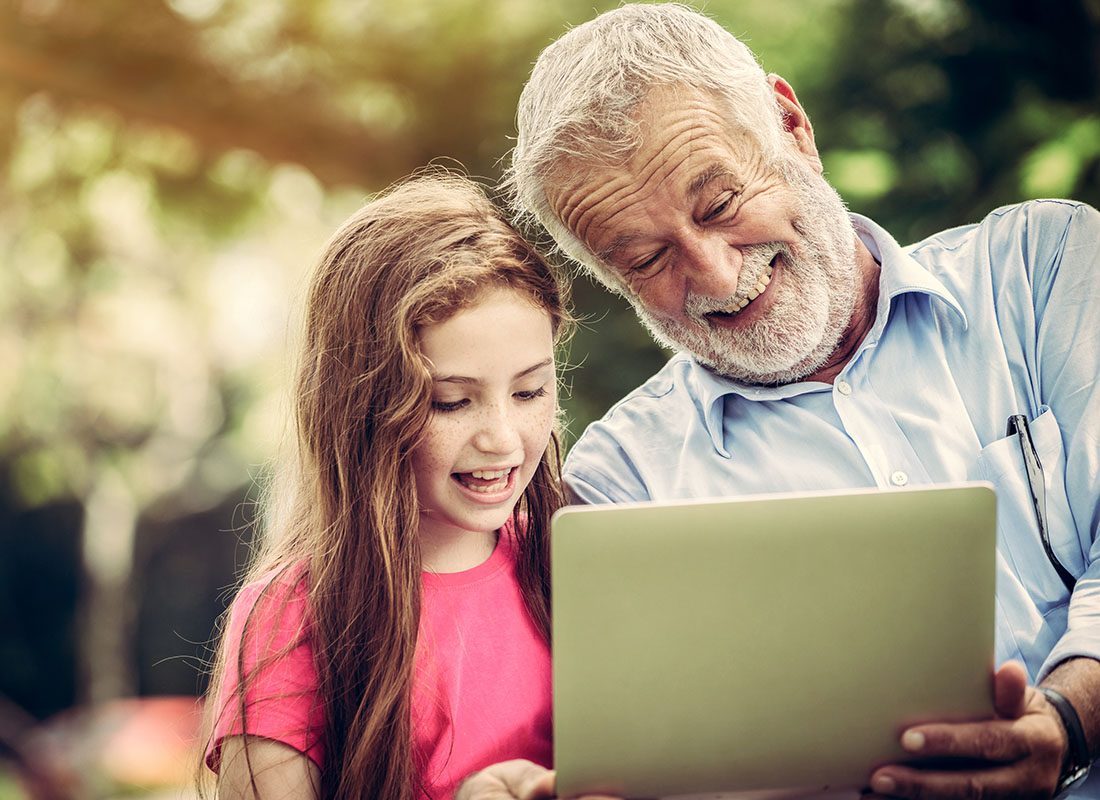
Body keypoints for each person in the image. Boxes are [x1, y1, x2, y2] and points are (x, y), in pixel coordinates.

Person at [505, 4, 1100, 799]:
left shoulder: (1042, 267)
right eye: (646, 258)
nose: (715, 278)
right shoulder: (622, 484)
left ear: (792, 127)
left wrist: (1065, 722)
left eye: (718, 205)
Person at [200, 172, 572, 800]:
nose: (503, 438)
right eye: (452, 402)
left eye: (530, 391)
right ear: (363, 406)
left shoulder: (572, 555)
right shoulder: (294, 614)